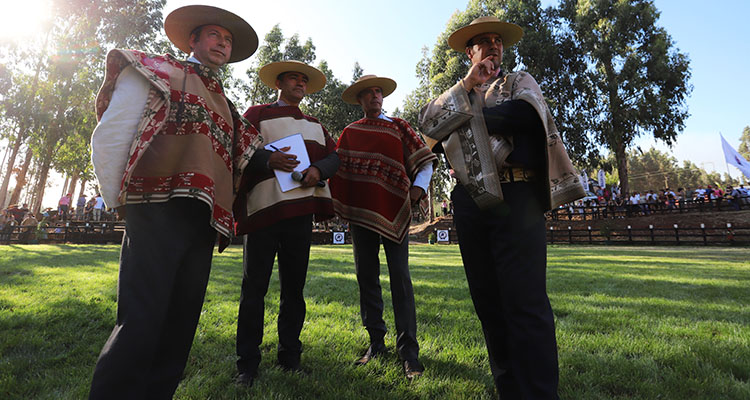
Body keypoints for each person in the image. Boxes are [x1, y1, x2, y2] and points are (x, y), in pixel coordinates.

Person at [88, 6, 262, 398]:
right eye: (215, 35)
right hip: (154, 207)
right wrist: (120, 201)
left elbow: (244, 154)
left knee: (180, 325)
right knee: (141, 320)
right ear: (193, 41)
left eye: (228, 39)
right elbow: (112, 134)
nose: (223, 43)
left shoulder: (224, 103)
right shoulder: (154, 70)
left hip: (202, 219)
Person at [418, 16, 584, 398]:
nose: (494, 46)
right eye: (484, 41)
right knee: (488, 303)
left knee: (525, 302)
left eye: (498, 40)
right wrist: (466, 92)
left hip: (518, 198)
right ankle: (508, 389)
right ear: (469, 52)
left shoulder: (518, 81)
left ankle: (540, 393)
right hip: (471, 203)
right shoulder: (457, 92)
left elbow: (524, 116)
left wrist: (460, 122)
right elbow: (426, 126)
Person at [233, 60, 339, 387]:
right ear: (278, 83)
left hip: (299, 214)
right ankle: (247, 365)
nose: (300, 84)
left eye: (304, 81)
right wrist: (268, 159)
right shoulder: (258, 114)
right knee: (255, 289)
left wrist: (319, 170)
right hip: (265, 211)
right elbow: (237, 144)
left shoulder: (316, 125)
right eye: (294, 78)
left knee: (294, 290)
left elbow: (334, 156)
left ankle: (290, 357)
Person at [330, 74, 437, 379]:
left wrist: (417, 190)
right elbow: (341, 169)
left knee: (400, 280)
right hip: (361, 214)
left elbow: (425, 160)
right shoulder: (350, 133)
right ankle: (376, 343)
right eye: (369, 93)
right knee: (367, 277)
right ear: (359, 100)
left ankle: (409, 353)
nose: (375, 97)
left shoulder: (399, 126)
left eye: (378, 92)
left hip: (395, 211)